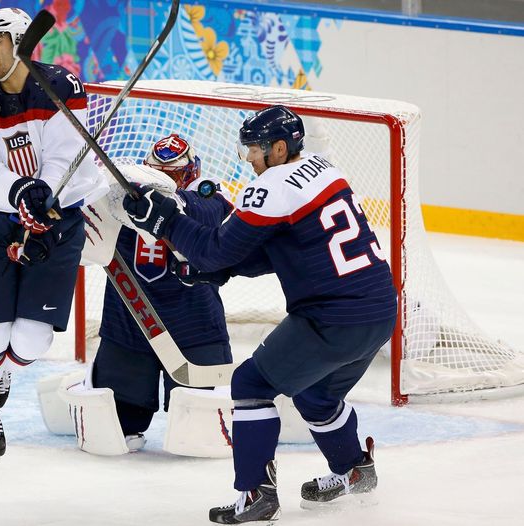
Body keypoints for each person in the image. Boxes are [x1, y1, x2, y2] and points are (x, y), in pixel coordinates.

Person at [122, 106, 397, 522]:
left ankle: (255, 495)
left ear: (280, 148)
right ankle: (354, 468)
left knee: (251, 384)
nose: (248, 157)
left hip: (332, 318)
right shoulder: (325, 170)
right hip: (378, 311)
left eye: (254, 148)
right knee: (315, 393)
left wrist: (167, 221)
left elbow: (215, 247)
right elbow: (287, 247)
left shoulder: (274, 184)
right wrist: (221, 268)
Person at [0, 7, 107, 458]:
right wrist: (20, 190)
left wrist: (47, 194)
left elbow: (65, 153)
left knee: (30, 342)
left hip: (58, 219)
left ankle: (2, 369)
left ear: (21, 42)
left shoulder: (62, 87)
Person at [89, 133, 234, 450]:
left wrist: (170, 204)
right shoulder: (120, 196)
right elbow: (87, 236)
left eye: (176, 176)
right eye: (162, 175)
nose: (169, 181)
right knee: (116, 429)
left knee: (206, 434)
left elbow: (214, 215)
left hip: (193, 326)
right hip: (129, 320)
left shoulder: (208, 197)